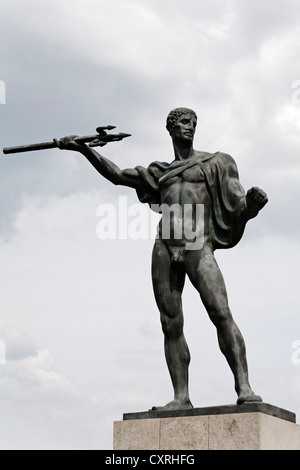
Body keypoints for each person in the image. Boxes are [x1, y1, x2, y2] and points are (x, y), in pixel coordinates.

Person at [55, 107, 268, 411]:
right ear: (170, 128)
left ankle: (244, 387)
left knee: (220, 313)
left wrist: (253, 205)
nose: (189, 127)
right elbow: (117, 175)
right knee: (171, 323)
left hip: (198, 242)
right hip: (164, 245)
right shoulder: (159, 173)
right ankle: (181, 397)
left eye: (193, 123)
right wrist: (83, 149)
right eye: (183, 122)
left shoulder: (217, 163)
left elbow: (239, 202)